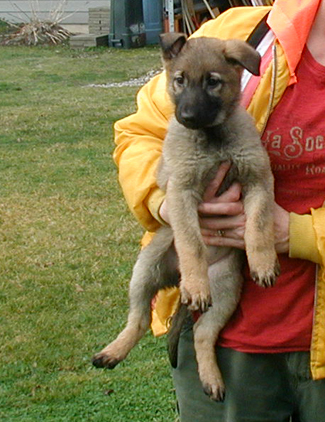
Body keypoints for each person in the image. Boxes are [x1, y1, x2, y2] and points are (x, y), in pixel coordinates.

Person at [113, 0, 325, 420]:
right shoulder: (245, 32)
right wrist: (165, 203)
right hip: (231, 337)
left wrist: (298, 234)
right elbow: (140, 134)